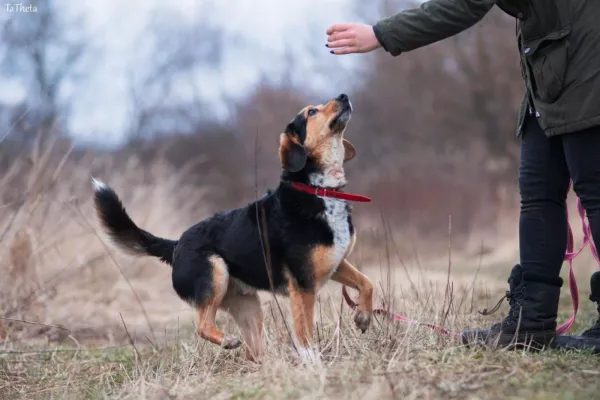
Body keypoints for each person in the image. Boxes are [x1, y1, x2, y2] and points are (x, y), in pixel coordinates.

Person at [325, 0, 600, 349]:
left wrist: (381, 34)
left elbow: (466, 4)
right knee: (538, 191)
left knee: (593, 190)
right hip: (554, 71)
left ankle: (534, 320)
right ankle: (532, 322)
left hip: (583, 63)